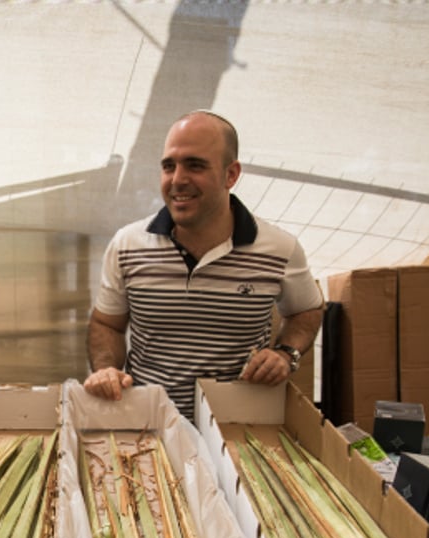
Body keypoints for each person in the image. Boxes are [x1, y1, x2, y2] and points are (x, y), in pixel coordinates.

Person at [84, 110, 324, 420]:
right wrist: (106, 371)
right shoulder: (128, 245)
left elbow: (308, 309)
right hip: (149, 427)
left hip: (236, 426)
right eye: (169, 166)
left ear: (231, 175)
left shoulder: (279, 249)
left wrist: (285, 353)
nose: (178, 180)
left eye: (195, 165)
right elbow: (107, 325)